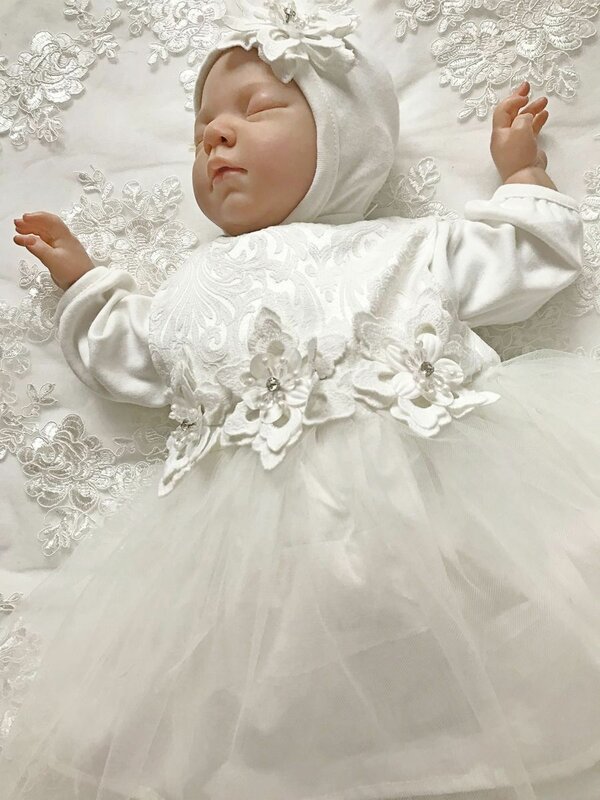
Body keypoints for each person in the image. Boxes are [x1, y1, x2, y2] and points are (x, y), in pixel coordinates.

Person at [3, 1, 600, 798]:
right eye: (201, 131)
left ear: (345, 138)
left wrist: (521, 171)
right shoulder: (192, 284)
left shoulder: (406, 245)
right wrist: (85, 281)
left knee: (499, 635)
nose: (216, 137)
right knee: (255, 696)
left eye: (256, 109)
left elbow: (526, 260)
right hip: (251, 548)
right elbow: (136, 356)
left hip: (431, 501)